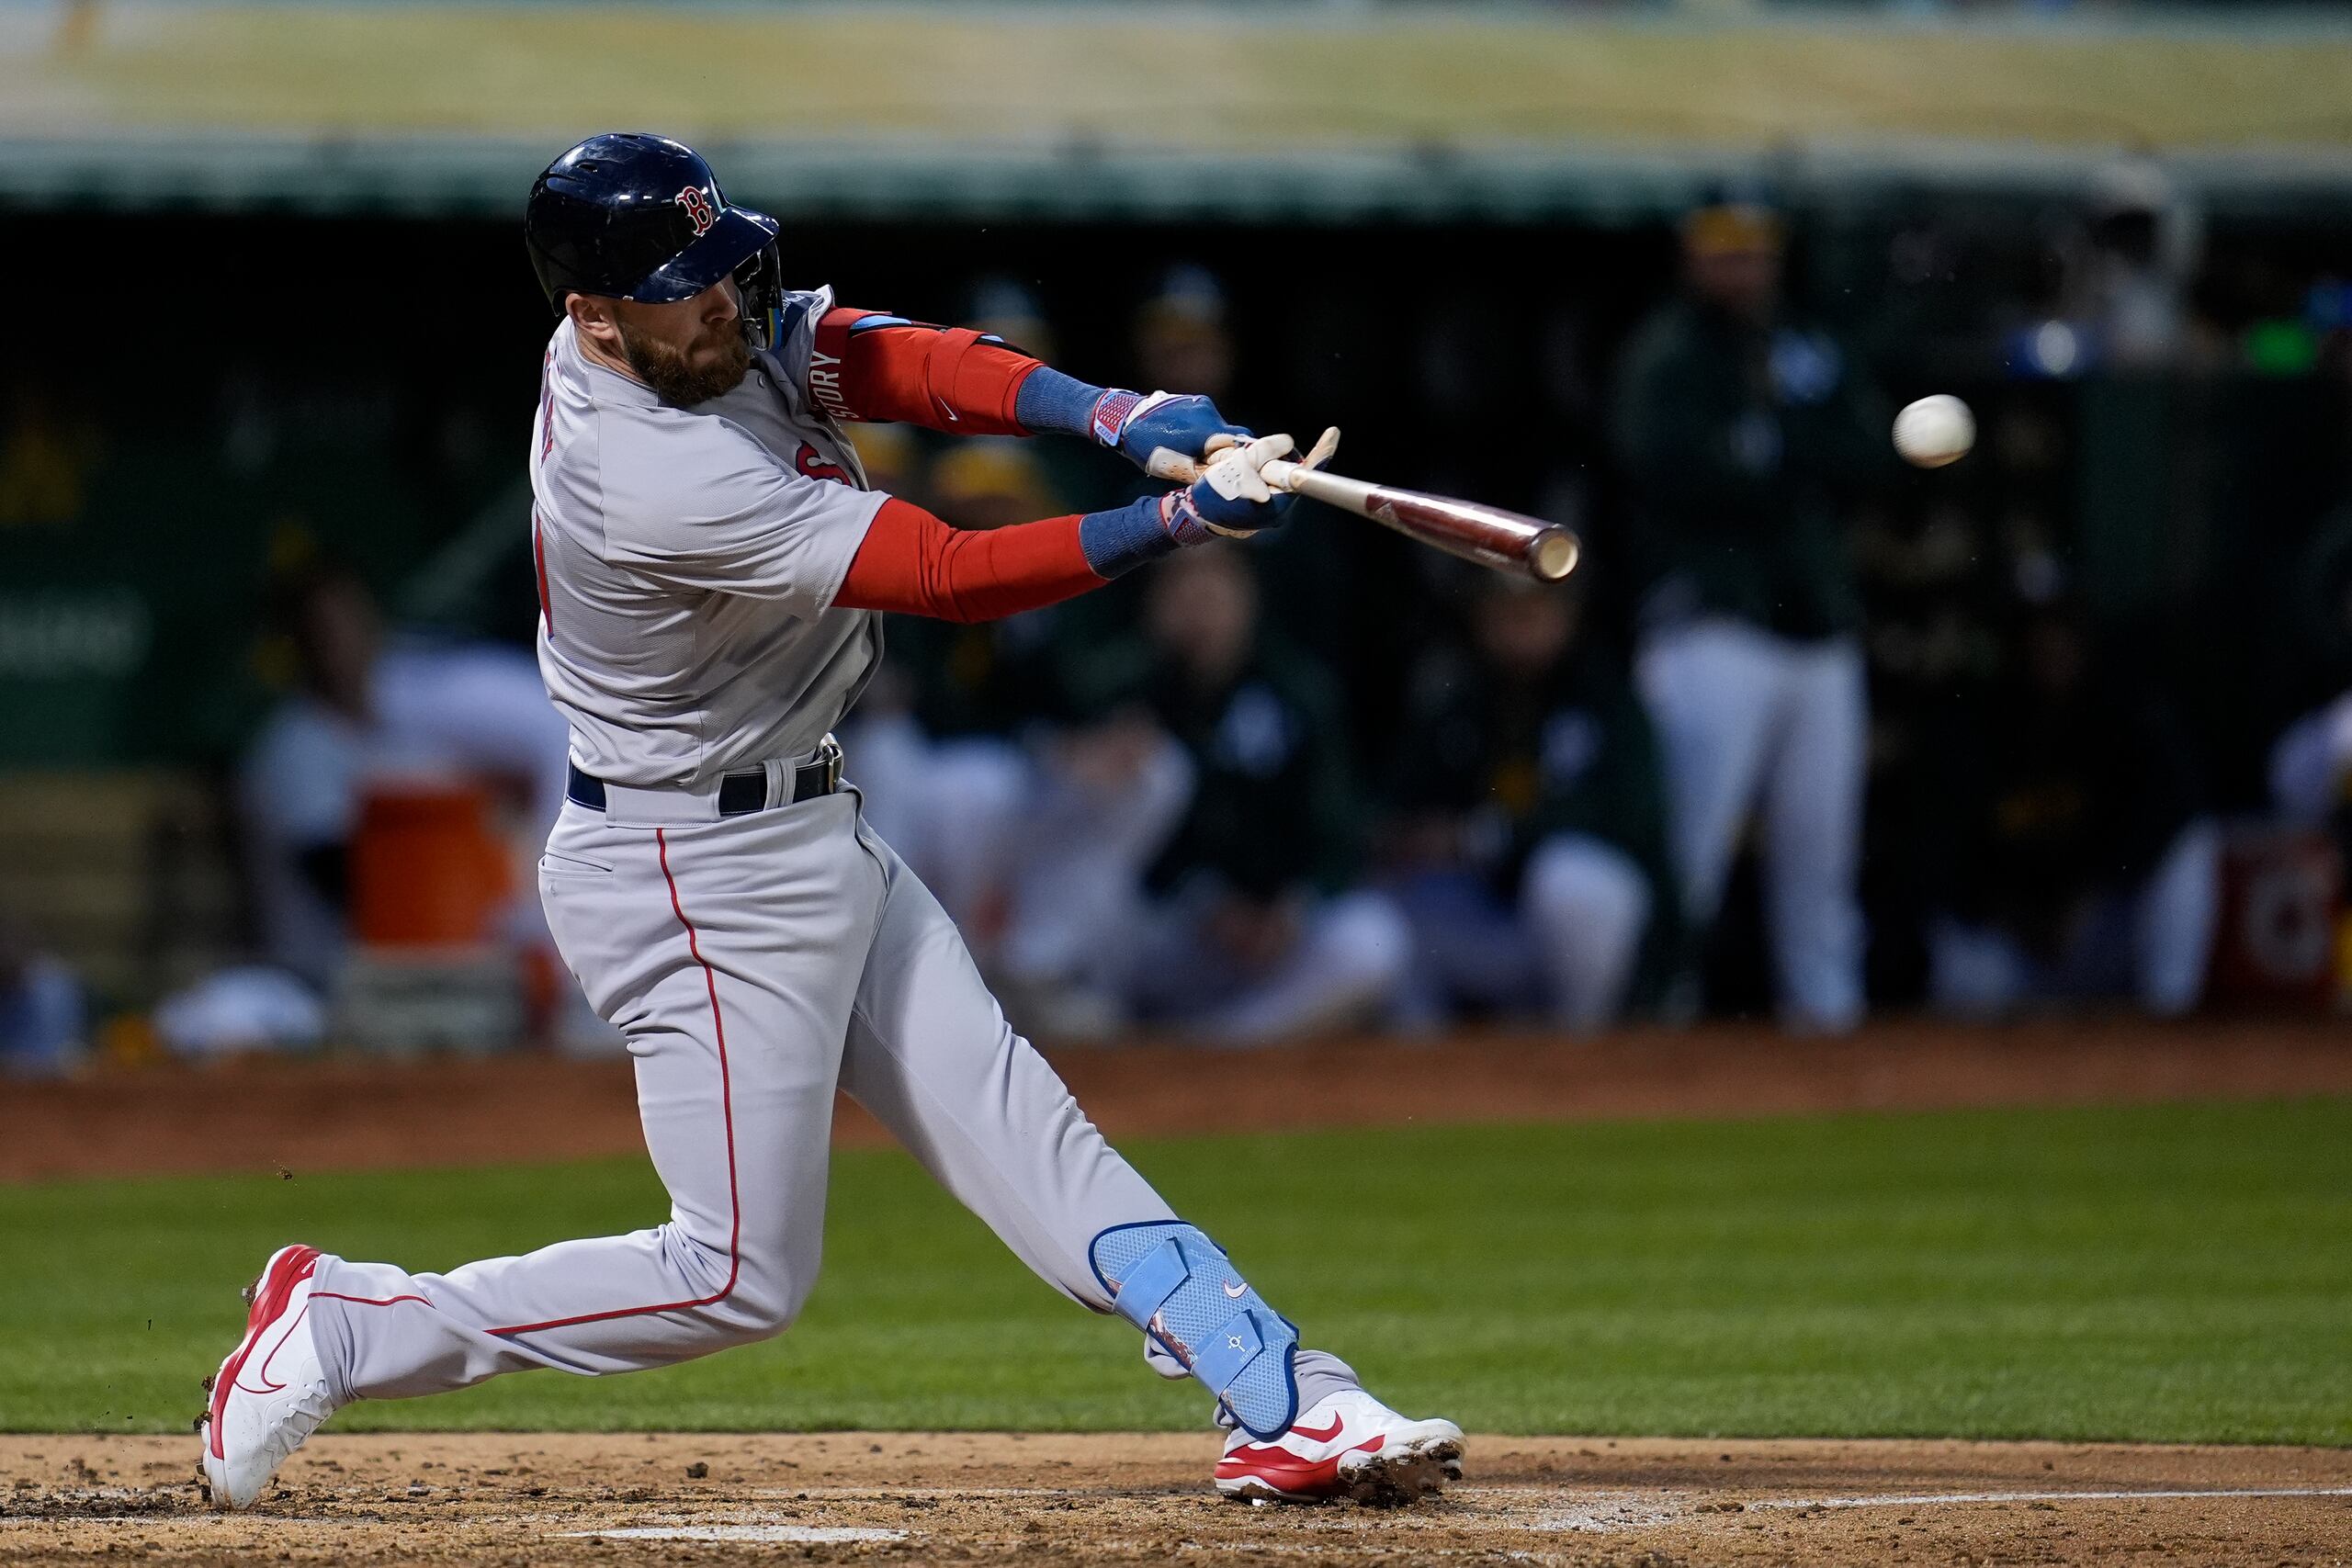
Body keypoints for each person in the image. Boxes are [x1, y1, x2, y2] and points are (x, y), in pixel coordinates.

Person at [198, 133, 1459, 1513]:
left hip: (806, 821)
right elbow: (947, 571)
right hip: (689, 869)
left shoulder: (690, 334)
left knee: (1026, 1129)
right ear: (594, 317)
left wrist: (1109, 411)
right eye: (684, 290)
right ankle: (344, 1328)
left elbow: (876, 354)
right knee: (733, 1276)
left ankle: (1281, 1391)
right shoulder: (646, 471)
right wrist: (1171, 522)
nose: (724, 304)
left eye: (722, 270)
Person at [1611, 195, 1894, 1032]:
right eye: (1726, 252)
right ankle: (1660, 1017)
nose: (1745, 268)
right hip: (1714, 625)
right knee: (1688, 850)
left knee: (1821, 855)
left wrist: (1777, 447)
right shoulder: (1669, 353)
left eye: (1756, 251)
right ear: (1693, 257)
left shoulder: (1806, 344)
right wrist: (1786, 454)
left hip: (1816, 625)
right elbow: (1668, 467)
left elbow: (1867, 454)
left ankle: (1827, 1021)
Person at [1078, 547, 1412, 1043]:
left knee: (1372, 938)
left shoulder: (1297, 691)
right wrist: (1204, 902)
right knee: (1100, 910)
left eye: (1216, 582)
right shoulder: (1120, 688)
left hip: (1272, 936)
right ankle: (1119, 1040)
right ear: (1154, 599)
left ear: (1249, 594)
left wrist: (1289, 909)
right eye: (1182, 583)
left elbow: (1337, 834)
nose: (1200, 601)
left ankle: (1228, 1046)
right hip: (1170, 932)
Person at [1385, 577, 1674, 1032]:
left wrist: (1484, 837)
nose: (1518, 630)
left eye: (1532, 613)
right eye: (1503, 613)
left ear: (1567, 615)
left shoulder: (1603, 695)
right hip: (1497, 923)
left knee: (1566, 879)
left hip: (1589, 926)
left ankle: (1584, 1044)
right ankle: (1423, 1058)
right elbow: (1405, 805)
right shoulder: (1464, 698)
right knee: (1390, 905)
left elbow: (1625, 818)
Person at [1924, 596, 2218, 1018]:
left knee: (2191, 849)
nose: (2050, 651)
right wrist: (2016, 915)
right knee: (1962, 965)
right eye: (2037, 638)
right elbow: (1945, 860)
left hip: (2101, 933)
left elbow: (2171, 810)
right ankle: (1971, 1056)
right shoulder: (1979, 725)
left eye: (2061, 637)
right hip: (2020, 948)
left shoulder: (2121, 715)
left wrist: (2092, 894)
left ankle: (2166, 1019)